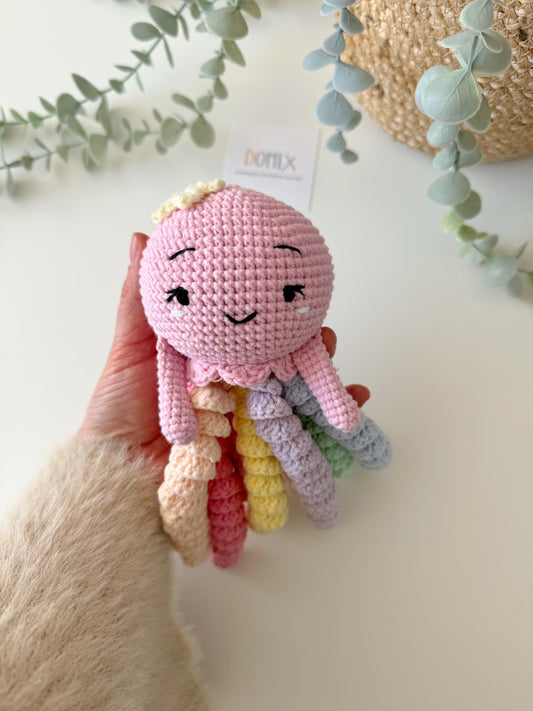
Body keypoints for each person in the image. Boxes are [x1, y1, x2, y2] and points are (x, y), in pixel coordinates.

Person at [0, 234, 368, 710]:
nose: (240, 312)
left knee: (272, 469)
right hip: (203, 421)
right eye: (179, 295)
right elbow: (173, 382)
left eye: (289, 292)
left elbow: (322, 382)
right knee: (231, 483)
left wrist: (337, 409)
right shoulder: (178, 352)